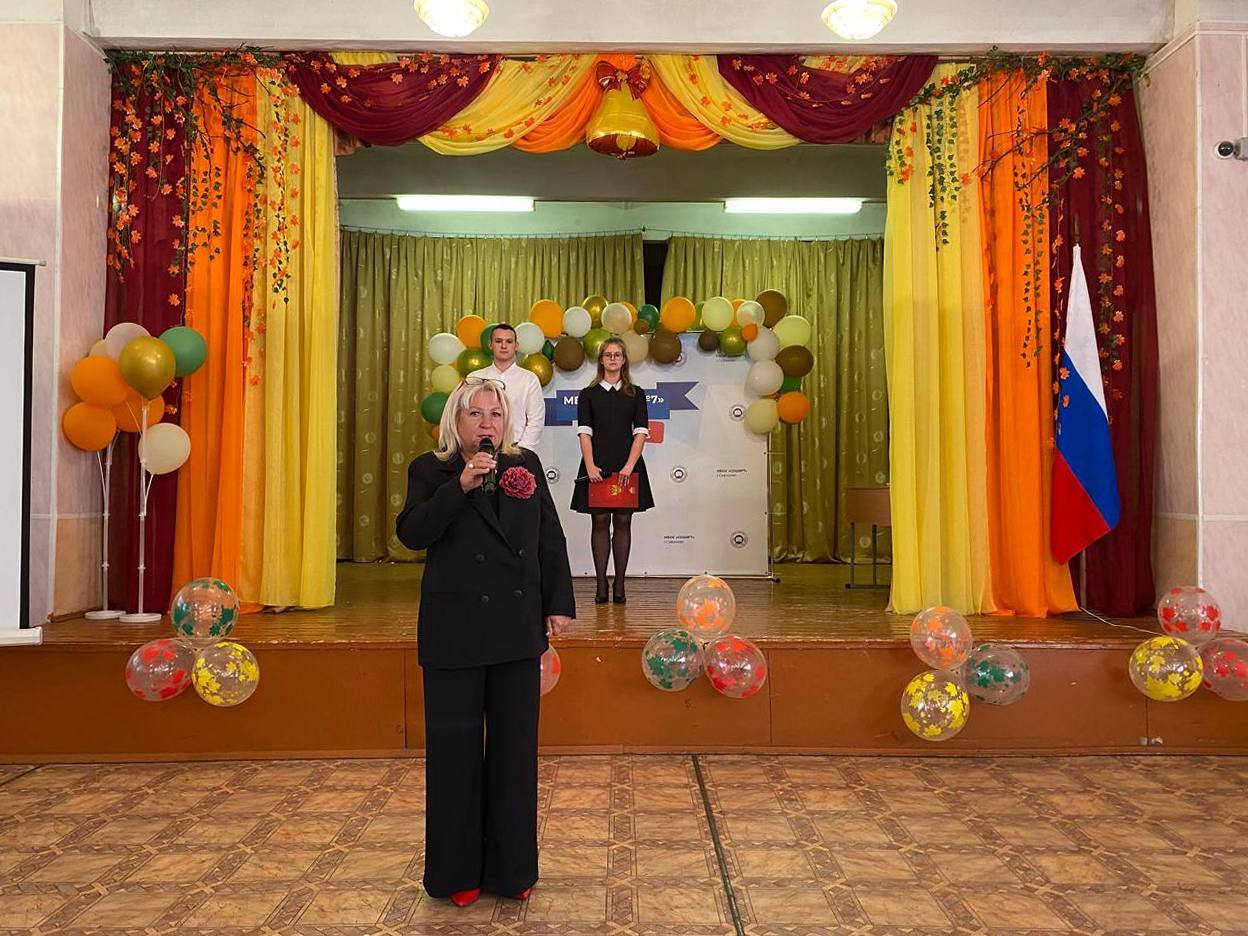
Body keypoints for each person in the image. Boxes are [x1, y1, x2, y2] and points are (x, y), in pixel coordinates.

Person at [396, 377, 574, 907]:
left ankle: (512, 871)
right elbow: (411, 534)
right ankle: (457, 874)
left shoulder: (526, 466)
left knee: (515, 756)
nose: (487, 423)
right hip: (454, 633)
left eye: (495, 414)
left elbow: (549, 536)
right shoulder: (430, 470)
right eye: (475, 414)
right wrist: (461, 487)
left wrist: (558, 603)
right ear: (456, 421)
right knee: (454, 757)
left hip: (515, 629)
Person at [571, 337, 654, 605]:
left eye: (617, 354)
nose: (613, 359)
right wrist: (590, 465)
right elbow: (584, 433)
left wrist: (629, 466)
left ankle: (619, 582)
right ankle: (600, 583)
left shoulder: (636, 393)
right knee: (599, 522)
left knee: (623, 522)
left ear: (624, 360)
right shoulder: (588, 394)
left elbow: (641, 432)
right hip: (596, 464)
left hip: (628, 465)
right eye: (608, 354)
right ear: (601, 360)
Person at [469, 323, 545, 450]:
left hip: (516, 448)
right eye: (498, 341)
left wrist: (522, 449)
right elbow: (464, 416)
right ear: (490, 345)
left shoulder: (529, 379)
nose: (504, 346)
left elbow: (536, 419)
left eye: (509, 342)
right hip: (479, 448)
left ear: (516, 346)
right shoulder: (474, 378)